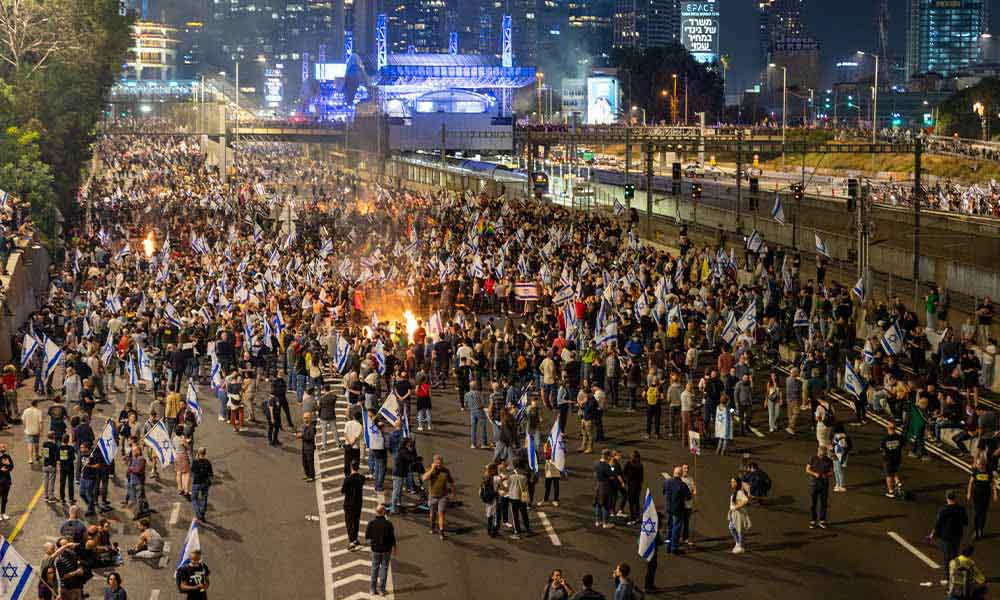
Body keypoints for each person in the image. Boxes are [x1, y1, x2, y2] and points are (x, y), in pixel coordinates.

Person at [929, 491, 968, 583]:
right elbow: (965, 522)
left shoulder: (943, 510)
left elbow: (938, 524)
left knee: (947, 558)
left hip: (946, 536)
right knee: (954, 555)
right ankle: (955, 573)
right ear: (955, 497)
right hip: (957, 535)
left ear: (947, 498)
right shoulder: (961, 508)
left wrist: (932, 534)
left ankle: (949, 577)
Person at [364, 504, 397, 597]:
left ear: (376, 512)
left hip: (375, 550)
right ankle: (382, 590)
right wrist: (395, 548)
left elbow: (367, 537)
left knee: (374, 569)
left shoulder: (371, 523)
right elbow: (392, 538)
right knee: (384, 569)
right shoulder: (389, 524)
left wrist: (373, 543)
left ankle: (372, 589)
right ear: (383, 512)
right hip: (386, 550)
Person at [422, 454, 454, 540]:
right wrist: (432, 469)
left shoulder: (446, 471)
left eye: (440, 463)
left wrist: (452, 493)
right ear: (434, 463)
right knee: (432, 514)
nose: (439, 465)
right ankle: (432, 526)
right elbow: (424, 478)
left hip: (443, 496)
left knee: (441, 513)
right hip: (432, 496)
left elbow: (451, 482)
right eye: (437, 463)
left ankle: (441, 531)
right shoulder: (431, 470)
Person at [661, 466, 690, 554]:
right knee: (676, 528)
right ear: (681, 474)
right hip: (678, 509)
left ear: (674, 473)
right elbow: (688, 497)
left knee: (669, 527)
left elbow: (664, 492)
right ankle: (674, 547)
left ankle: (668, 546)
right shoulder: (682, 485)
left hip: (668, 507)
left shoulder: (667, 482)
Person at [967, 457, 997, 540]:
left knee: (983, 514)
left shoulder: (988, 472)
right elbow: (971, 482)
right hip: (976, 495)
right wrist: (969, 492)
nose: (977, 465)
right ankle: (976, 531)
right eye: (977, 464)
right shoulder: (975, 471)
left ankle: (981, 530)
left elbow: (993, 483)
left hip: (986, 495)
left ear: (983, 464)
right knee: (976, 513)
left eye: (979, 464)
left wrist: (995, 494)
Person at [805, 446, 833, 529]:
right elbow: (807, 469)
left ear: (825, 453)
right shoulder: (812, 458)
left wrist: (826, 475)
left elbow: (831, 472)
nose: (821, 456)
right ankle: (813, 520)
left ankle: (822, 520)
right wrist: (814, 474)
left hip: (824, 484)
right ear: (818, 452)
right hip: (814, 484)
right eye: (820, 454)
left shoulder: (829, 460)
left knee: (823, 503)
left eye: (823, 455)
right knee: (813, 504)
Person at [342, 461, 366, 549]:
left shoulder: (347, 479)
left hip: (349, 503)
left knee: (349, 522)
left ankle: (351, 541)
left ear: (351, 467)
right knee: (356, 521)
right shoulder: (362, 478)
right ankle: (355, 538)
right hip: (358, 503)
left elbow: (343, 491)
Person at [880, 422, 904, 498]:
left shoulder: (885, 439)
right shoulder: (899, 437)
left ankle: (891, 491)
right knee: (895, 471)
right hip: (897, 457)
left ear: (888, 428)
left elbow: (882, 449)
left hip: (888, 459)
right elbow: (902, 446)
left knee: (889, 475)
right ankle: (897, 482)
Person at [728, 476, 751, 554]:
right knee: (731, 527)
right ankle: (738, 543)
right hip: (734, 514)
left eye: (734, 482)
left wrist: (736, 507)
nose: (732, 483)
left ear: (737, 483)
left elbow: (746, 500)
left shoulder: (739, 492)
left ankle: (740, 546)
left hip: (739, 514)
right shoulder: (735, 492)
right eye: (731, 482)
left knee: (739, 530)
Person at [190, 447, 213, 523]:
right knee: (204, 498)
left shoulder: (195, 462)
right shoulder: (207, 462)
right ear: (205, 453)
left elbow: (192, 472)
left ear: (198, 453)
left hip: (196, 482)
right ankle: (202, 512)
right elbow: (211, 474)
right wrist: (210, 482)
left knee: (194, 498)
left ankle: (198, 512)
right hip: (205, 483)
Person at [295, 412, 317, 482]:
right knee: (304, 462)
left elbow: (310, 437)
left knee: (310, 462)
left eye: (306, 418)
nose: (304, 419)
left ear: (310, 418)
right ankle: (307, 475)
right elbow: (303, 434)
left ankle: (311, 476)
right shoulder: (304, 426)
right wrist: (299, 434)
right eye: (304, 418)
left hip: (309, 447)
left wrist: (301, 436)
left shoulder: (312, 427)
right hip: (304, 447)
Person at [21, 398, 41, 464]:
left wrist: (25, 427)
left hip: (28, 430)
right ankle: (37, 455)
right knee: (36, 443)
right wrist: (41, 430)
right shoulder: (38, 411)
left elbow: (23, 420)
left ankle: (30, 458)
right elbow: (40, 422)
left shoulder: (26, 411)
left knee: (30, 444)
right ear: (36, 404)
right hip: (36, 430)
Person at [831, 423, 850, 492]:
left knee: (838, 471)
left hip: (839, 456)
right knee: (836, 470)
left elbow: (843, 449)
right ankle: (838, 484)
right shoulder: (838, 436)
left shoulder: (841, 437)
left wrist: (842, 459)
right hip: (837, 455)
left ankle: (841, 485)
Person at [41, 431, 58, 502]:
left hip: (45, 465)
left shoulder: (44, 444)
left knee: (46, 481)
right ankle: (51, 496)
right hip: (52, 465)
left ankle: (45, 496)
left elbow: (44, 455)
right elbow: (56, 456)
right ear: (53, 437)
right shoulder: (54, 445)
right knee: (51, 481)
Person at [0, 442, 13, 520]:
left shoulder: (7, 456)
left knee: (5, 498)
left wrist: (7, 466)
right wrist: (1, 469)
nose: (3, 449)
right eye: (1, 447)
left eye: (4, 447)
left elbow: (12, 466)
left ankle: (3, 513)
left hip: (6, 481)